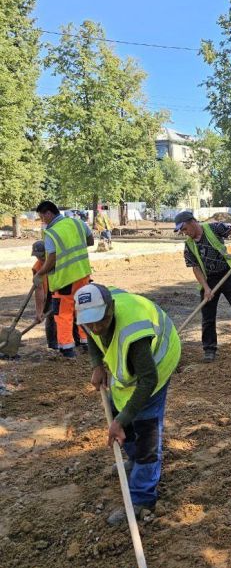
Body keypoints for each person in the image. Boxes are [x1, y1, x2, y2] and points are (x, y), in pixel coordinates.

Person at [74, 283, 181, 525]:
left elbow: (148, 380)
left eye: (100, 321)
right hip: (134, 372)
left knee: (145, 433)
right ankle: (133, 459)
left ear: (110, 310)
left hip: (157, 364)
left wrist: (122, 421)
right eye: (88, 322)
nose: (95, 327)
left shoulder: (133, 332)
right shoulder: (90, 316)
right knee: (118, 411)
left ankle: (142, 499)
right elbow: (91, 334)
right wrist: (97, 364)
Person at [174, 211, 231, 361]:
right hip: (208, 280)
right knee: (208, 316)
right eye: (181, 230)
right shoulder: (189, 245)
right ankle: (209, 350)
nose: (184, 233)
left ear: (191, 222)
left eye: (184, 229)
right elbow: (196, 268)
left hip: (226, 275)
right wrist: (206, 288)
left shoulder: (215, 228)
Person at [33, 200, 94, 358]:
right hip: (83, 274)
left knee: (63, 313)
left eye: (42, 217)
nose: (42, 221)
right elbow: (90, 241)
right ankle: (86, 341)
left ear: (49, 213)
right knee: (82, 307)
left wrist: (40, 274)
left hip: (64, 280)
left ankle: (67, 349)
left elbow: (51, 259)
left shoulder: (51, 233)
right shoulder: (77, 223)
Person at [31, 241, 57, 351]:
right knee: (50, 317)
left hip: (62, 288)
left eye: (41, 256)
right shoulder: (37, 267)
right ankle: (52, 345)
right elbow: (39, 289)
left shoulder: (56, 261)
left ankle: (78, 341)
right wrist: (39, 312)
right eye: (37, 256)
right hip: (50, 292)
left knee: (68, 315)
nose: (40, 259)